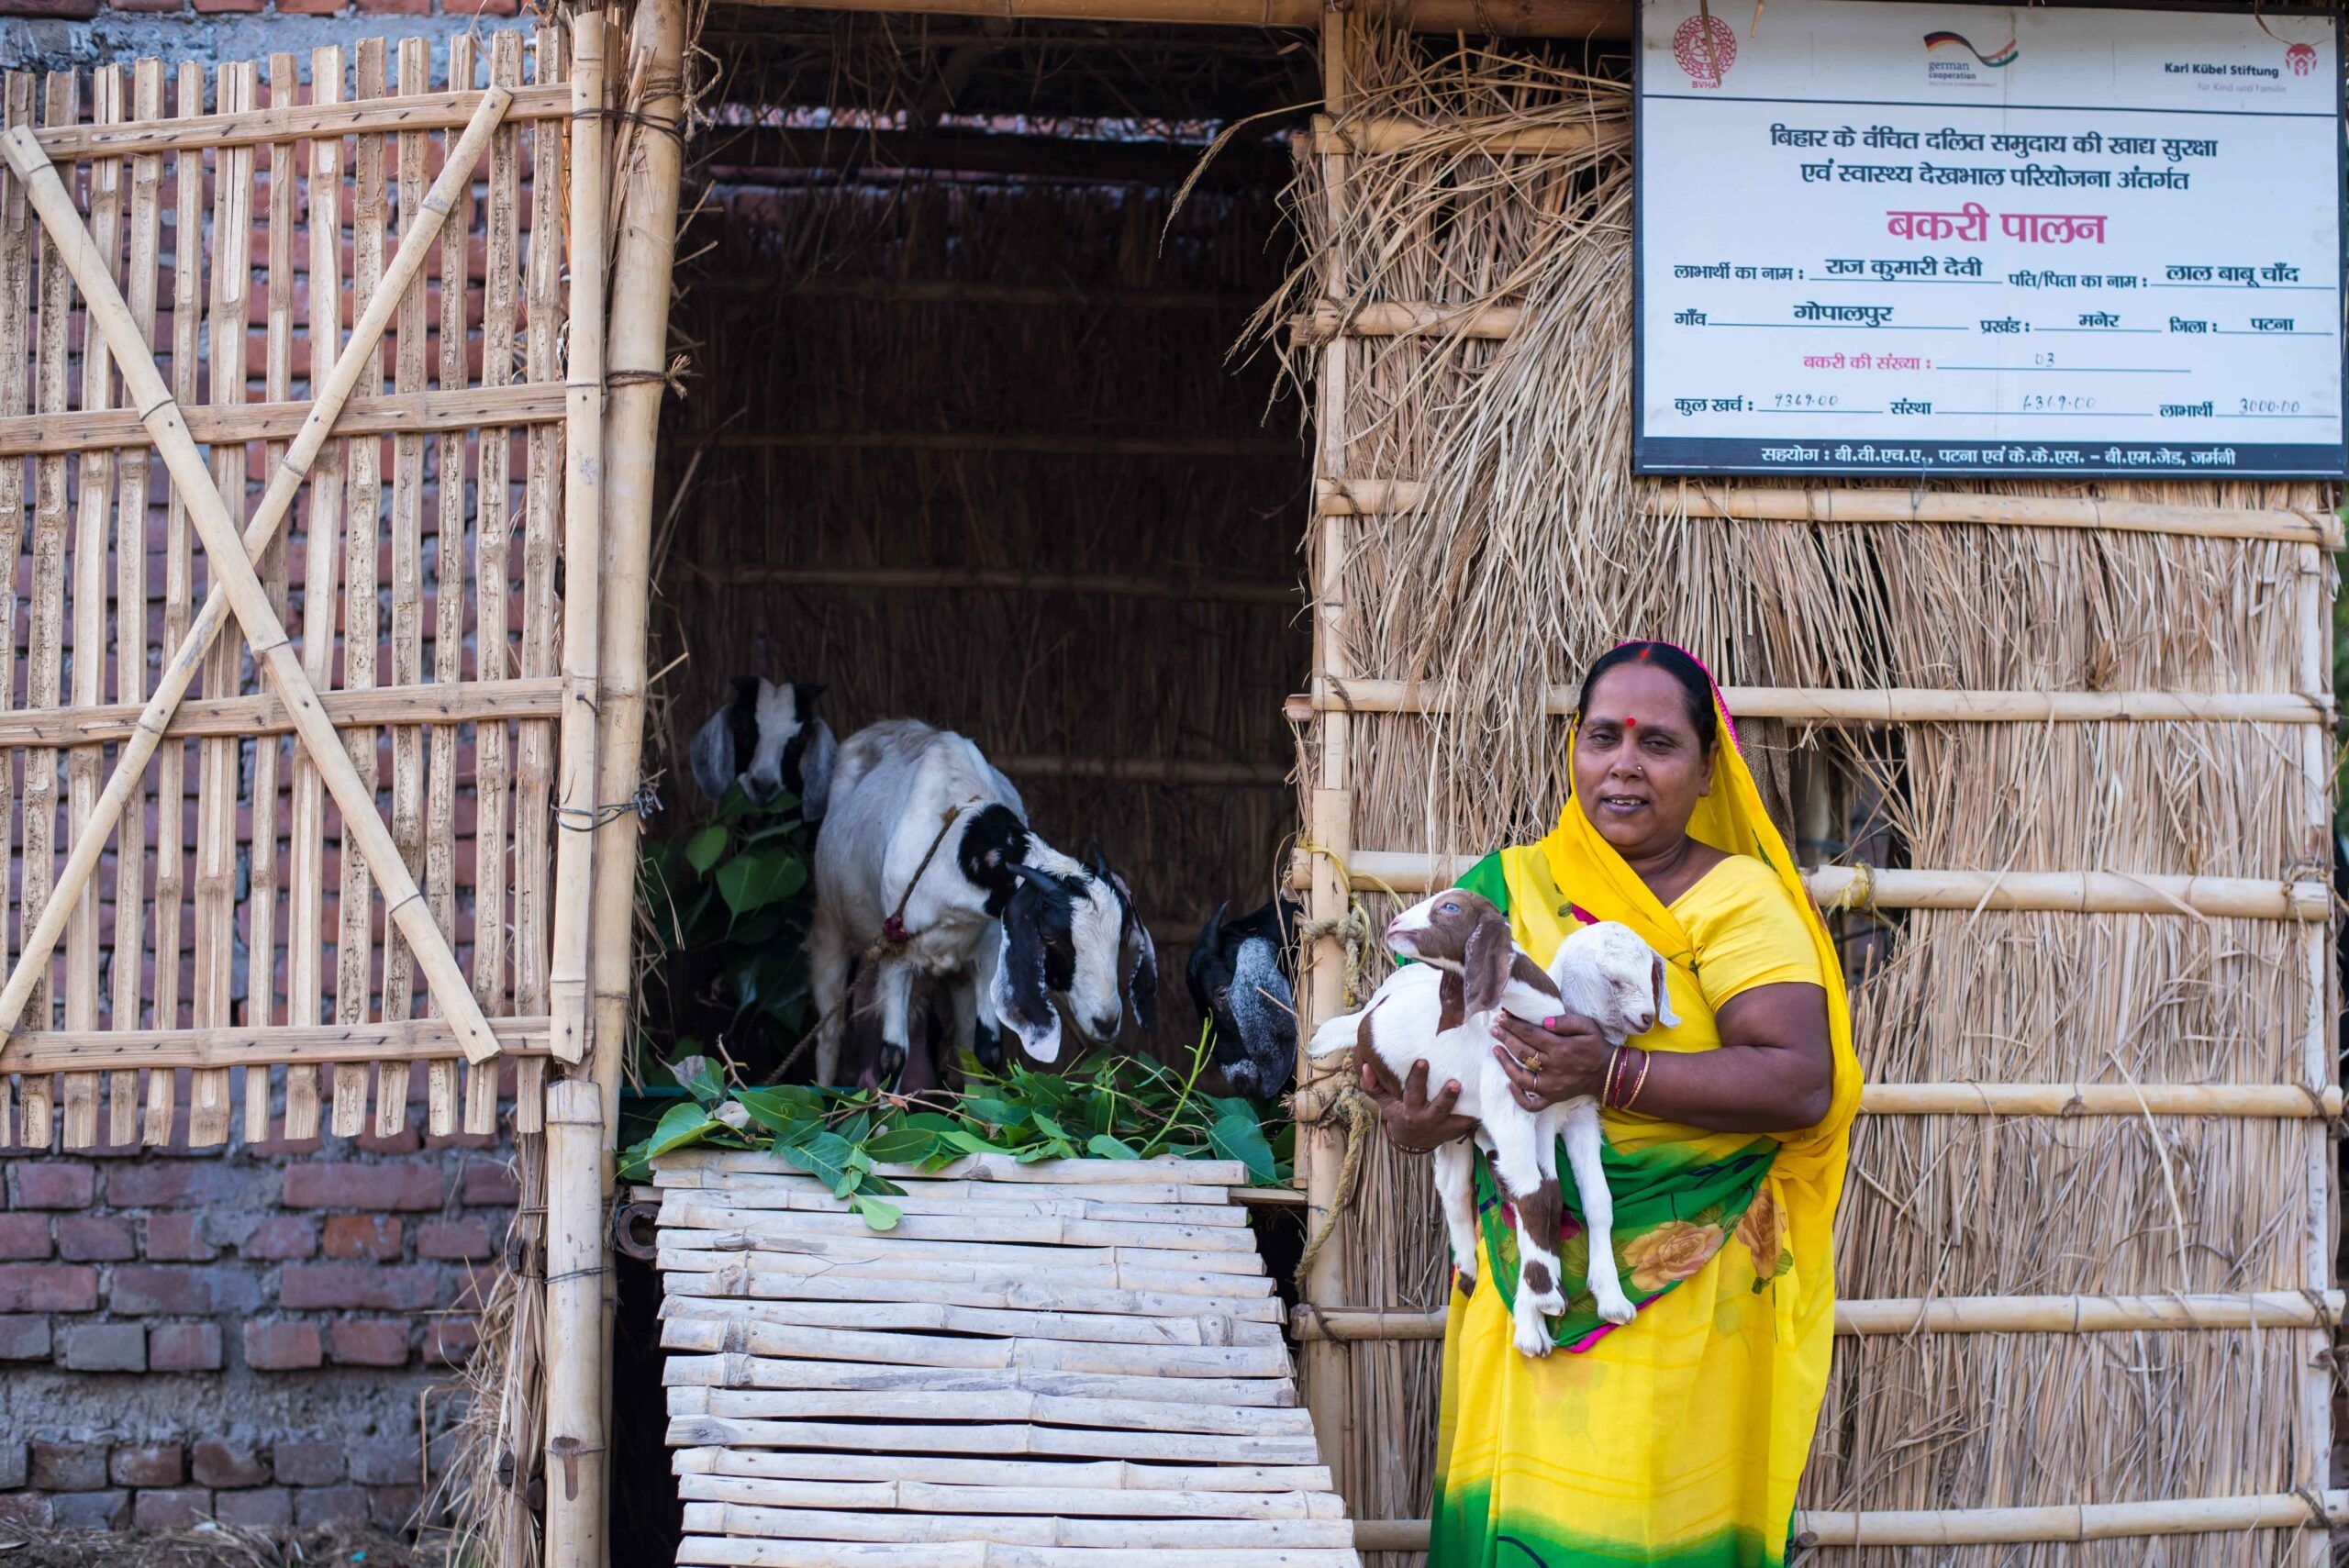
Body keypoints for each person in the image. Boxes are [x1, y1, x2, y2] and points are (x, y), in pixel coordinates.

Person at [1359, 640, 1862, 1568]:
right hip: (1526, 1278)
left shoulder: (1738, 900)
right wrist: (1409, 1119)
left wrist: (1612, 1076)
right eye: (1602, 736)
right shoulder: (1502, 889)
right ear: (1574, 750)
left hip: (1686, 1287)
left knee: (1649, 1531)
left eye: (1657, 742)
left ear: (1708, 767)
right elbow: (1397, 1041)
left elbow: (1798, 1079)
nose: (1623, 761)